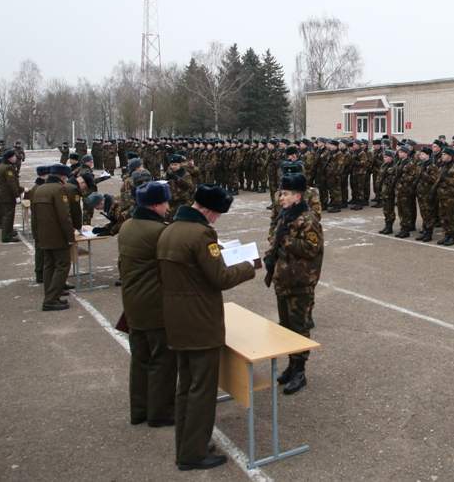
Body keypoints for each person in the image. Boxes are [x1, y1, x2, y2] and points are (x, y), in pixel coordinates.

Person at [157, 185, 260, 471]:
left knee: (186, 387)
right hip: (200, 321)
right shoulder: (201, 234)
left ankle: (189, 444)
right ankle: (193, 454)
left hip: (177, 318)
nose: (216, 221)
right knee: (201, 390)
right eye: (216, 215)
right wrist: (249, 265)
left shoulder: (170, 230)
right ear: (208, 211)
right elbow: (220, 277)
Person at [118, 181, 177, 428]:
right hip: (155, 305)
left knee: (140, 359)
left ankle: (139, 410)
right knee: (162, 361)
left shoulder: (127, 226)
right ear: (155, 205)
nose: (168, 207)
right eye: (165, 202)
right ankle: (160, 412)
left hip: (133, 303)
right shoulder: (159, 232)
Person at [264, 173, 324, 395]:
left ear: (297, 196)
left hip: (300, 282)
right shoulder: (286, 215)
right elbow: (276, 238)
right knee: (286, 326)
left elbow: (311, 248)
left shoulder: (308, 219)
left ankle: (300, 371)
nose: (281, 198)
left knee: (300, 327)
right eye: (281, 193)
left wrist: (285, 240)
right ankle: (291, 365)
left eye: (286, 194)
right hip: (284, 279)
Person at [32, 164, 76, 311]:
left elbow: (34, 216)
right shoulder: (59, 190)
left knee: (49, 266)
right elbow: (64, 216)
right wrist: (70, 236)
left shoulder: (39, 189)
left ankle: (50, 296)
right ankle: (51, 299)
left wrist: (36, 235)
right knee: (63, 265)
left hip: (43, 235)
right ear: (62, 176)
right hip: (57, 235)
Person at [0, 149, 23, 243]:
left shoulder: (3, 165)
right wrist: (17, 195)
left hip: (3, 194)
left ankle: (9, 231)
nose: (15, 158)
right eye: (14, 156)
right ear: (10, 158)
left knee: (7, 214)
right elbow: (12, 183)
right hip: (7, 195)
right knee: (8, 215)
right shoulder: (8, 168)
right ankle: (6, 236)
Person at [377, 150, 398, 234]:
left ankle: (390, 227)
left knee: (389, 209)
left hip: (389, 191)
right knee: (385, 210)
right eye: (384, 157)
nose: (384, 158)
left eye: (386, 157)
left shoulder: (394, 166)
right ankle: (386, 225)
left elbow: (392, 180)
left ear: (391, 157)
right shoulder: (384, 165)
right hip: (384, 191)